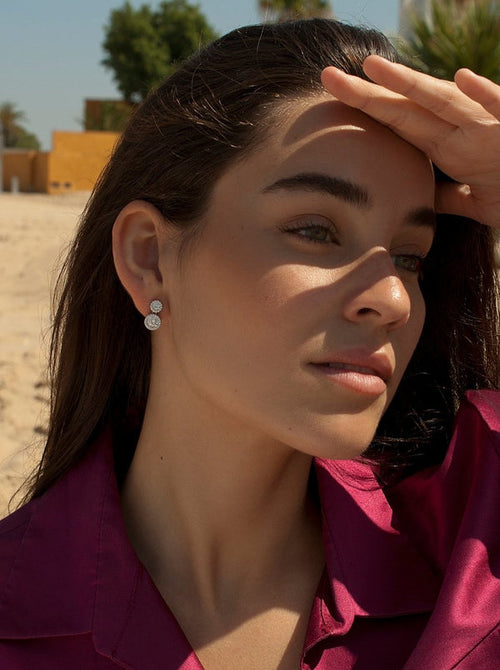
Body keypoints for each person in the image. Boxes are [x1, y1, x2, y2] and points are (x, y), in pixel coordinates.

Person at [0, 18, 498, 670]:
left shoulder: (470, 552)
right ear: (149, 257)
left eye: (411, 257)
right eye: (317, 231)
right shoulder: (18, 613)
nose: (395, 300)